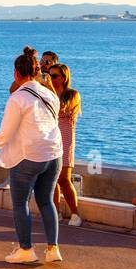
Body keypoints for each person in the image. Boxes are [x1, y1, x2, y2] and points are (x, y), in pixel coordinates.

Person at [0, 49, 64, 264]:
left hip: (30, 156)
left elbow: (6, 133)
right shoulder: (50, 94)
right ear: (35, 72)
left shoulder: (18, 98)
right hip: (54, 155)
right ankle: (53, 249)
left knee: (20, 203)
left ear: (16, 73)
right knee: (46, 201)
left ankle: (26, 249)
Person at [49, 63, 83, 226]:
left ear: (64, 77)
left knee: (64, 179)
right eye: (50, 76)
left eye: (54, 76)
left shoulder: (72, 95)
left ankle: (75, 213)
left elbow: (61, 108)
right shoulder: (48, 93)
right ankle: (55, 213)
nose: (52, 79)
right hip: (50, 141)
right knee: (52, 180)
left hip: (66, 141)